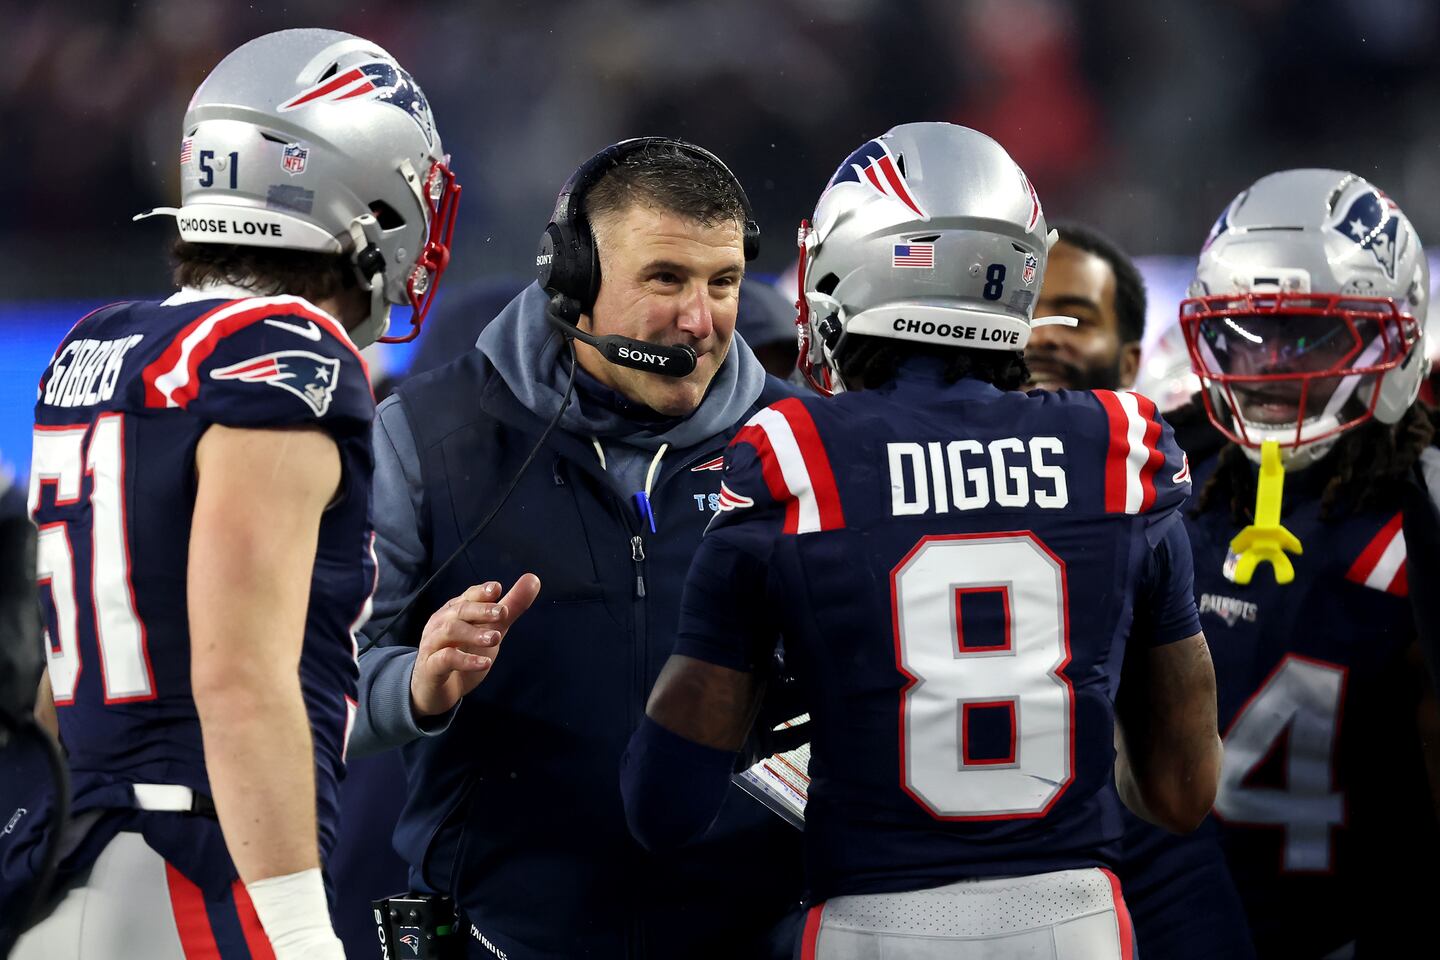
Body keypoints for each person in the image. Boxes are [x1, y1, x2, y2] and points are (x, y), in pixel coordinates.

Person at [620, 122, 1221, 960]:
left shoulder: (795, 455)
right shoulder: (1122, 450)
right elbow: (1181, 793)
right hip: (1075, 923)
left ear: (861, 264)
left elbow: (665, 807)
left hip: (877, 926)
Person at [5, 28, 462, 960]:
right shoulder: (284, 351)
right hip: (198, 870)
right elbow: (241, 674)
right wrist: (295, 920)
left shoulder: (102, 341)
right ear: (360, 191)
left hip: (72, 861)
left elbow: (63, 668)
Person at [348, 137, 805, 958]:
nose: (699, 321)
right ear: (573, 280)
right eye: (665, 279)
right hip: (502, 939)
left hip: (755, 939)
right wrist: (414, 684)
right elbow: (317, 683)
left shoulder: (801, 445)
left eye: (723, 283)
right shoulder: (425, 438)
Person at [1173, 169, 1440, 958]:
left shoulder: (1417, 519)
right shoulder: (1163, 481)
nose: (1271, 369)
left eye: (1310, 337)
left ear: (1399, 339)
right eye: (1246, 336)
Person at [1034, 225, 1256, 960]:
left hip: (1134, 847)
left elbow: (1180, 796)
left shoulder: (1163, 498)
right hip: (925, 869)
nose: (1043, 336)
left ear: (1132, 361)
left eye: (1073, 318)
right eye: (1025, 313)